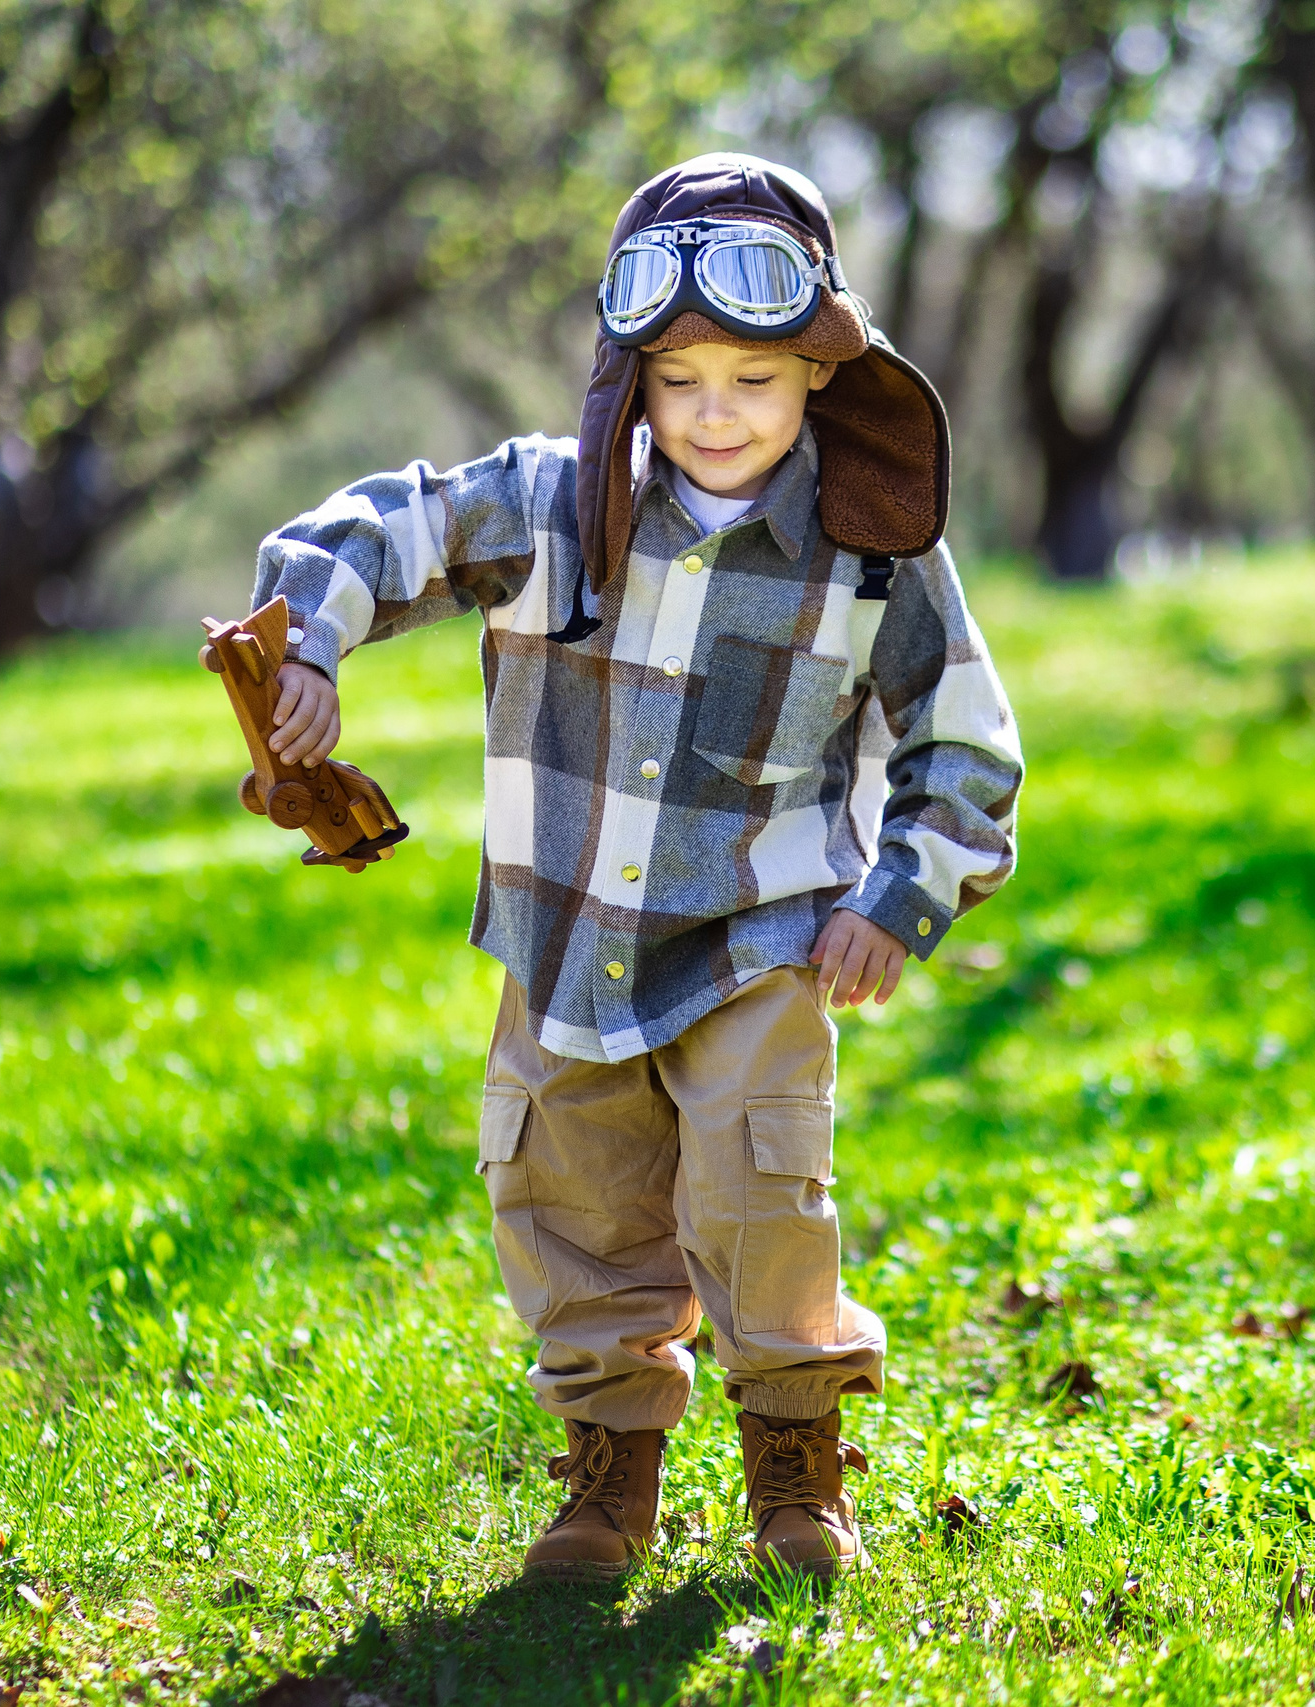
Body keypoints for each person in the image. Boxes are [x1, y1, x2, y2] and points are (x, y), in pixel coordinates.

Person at [235, 153, 1021, 1580]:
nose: (717, 414)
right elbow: (377, 527)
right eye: (680, 381)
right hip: (564, 938)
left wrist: (897, 900)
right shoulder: (549, 504)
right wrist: (309, 646)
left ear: (822, 372)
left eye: (756, 381)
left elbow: (964, 743)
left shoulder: (876, 553)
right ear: (630, 378)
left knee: (762, 1201)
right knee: (573, 1208)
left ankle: (797, 1469)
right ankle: (609, 1480)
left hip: (762, 941)